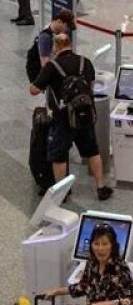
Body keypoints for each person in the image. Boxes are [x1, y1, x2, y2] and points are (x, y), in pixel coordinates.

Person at [29, 32, 113, 201]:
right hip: (85, 116)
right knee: (92, 151)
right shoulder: (85, 62)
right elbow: (90, 86)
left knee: (58, 156)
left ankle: (62, 193)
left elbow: (33, 90)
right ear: (70, 44)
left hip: (62, 118)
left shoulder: (52, 66)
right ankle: (101, 187)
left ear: (56, 47)